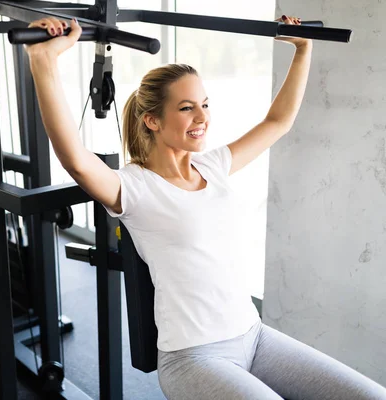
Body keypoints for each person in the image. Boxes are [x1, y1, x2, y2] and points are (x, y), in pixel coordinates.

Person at [24, 15, 386, 400]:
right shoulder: (134, 187)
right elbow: (77, 161)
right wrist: (43, 62)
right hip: (194, 357)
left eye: (205, 104)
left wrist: (303, 48)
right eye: (186, 108)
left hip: (255, 336)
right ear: (152, 121)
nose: (203, 117)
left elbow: (278, 121)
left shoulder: (212, 165)